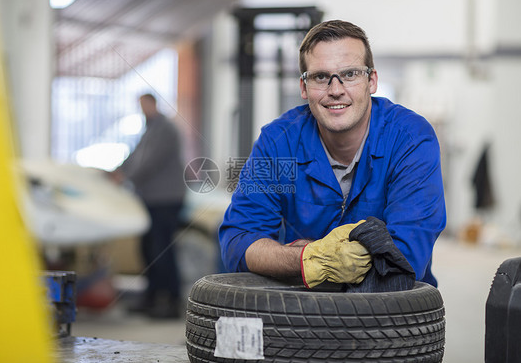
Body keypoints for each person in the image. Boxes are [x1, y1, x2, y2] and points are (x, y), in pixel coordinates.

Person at [219, 20, 446, 290]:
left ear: (371, 81)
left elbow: (404, 260)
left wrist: (288, 257)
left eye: (350, 74)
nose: (335, 89)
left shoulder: (410, 139)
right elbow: (238, 242)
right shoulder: (279, 142)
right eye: (320, 77)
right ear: (303, 88)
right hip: (305, 312)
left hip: (393, 316)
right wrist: (308, 258)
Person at [110, 93, 186, 318]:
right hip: (151, 199)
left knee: (162, 249)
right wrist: (118, 171)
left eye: (144, 104)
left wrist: (125, 176)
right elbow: (136, 156)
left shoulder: (165, 129)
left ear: (153, 104)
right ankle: (152, 297)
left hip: (166, 199)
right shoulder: (150, 129)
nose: (142, 109)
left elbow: (150, 161)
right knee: (148, 248)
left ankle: (171, 301)